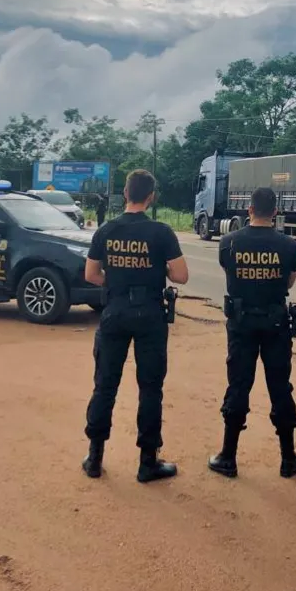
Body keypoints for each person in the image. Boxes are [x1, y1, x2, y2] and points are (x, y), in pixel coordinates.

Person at [82, 169, 189, 483]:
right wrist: (157, 272)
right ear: (151, 196)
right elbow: (181, 276)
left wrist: (116, 283)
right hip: (150, 315)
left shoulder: (106, 230)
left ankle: (94, 457)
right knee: (150, 389)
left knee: (105, 386)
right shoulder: (161, 232)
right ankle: (147, 462)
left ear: (125, 193)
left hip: (114, 311)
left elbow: (90, 274)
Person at [209, 187, 296, 479]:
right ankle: (288, 458)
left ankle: (228, 456)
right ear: (275, 212)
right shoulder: (288, 245)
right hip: (276, 324)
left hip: (241, 324)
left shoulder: (229, 242)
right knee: (280, 387)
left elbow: (230, 274)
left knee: (238, 385)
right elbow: (288, 282)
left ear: (249, 210)